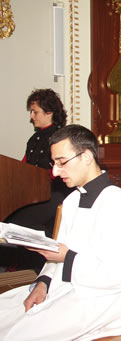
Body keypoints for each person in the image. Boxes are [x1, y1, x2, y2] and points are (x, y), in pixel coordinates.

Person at [0, 124, 121, 340]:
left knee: (17, 334)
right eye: (54, 163)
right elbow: (57, 255)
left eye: (61, 162)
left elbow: (119, 276)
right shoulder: (72, 201)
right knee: (6, 312)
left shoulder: (117, 205)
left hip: (99, 299)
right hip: (64, 287)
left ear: (86, 156)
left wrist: (66, 257)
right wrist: (43, 283)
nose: (55, 172)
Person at [1, 89, 72, 272]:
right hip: (34, 194)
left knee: (16, 223)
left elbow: (61, 170)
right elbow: (24, 167)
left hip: (55, 194)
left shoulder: (62, 136)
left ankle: (34, 267)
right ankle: (26, 265)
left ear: (49, 112)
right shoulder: (33, 139)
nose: (32, 117)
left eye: (35, 112)